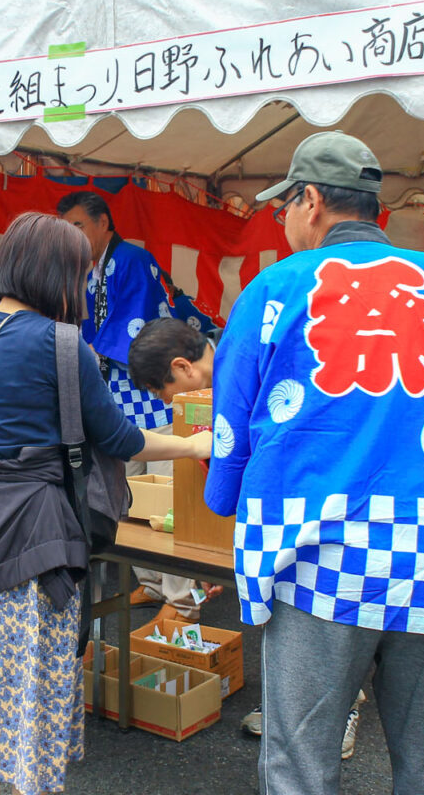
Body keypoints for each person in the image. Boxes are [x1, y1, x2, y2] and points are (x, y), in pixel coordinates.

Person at [205, 132, 424, 795]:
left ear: (309, 201)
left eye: (285, 208)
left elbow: (230, 425)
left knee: (300, 767)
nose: (286, 221)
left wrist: (225, 493)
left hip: (315, 561)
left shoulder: (275, 289)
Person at [0, 212, 212, 795]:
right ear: (59, 274)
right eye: (78, 270)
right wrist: (192, 443)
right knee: (30, 698)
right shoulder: (61, 342)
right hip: (30, 542)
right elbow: (120, 439)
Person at [128, 316, 367, 757]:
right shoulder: (223, 371)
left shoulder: (254, 366)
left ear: (182, 368)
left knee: (321, 605)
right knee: (284, 612)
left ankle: (342, 708)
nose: (167, 401)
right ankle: (288, 702)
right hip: (264, 501)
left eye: (164, 391)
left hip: (311, 497)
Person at [56, 191, 198, 624]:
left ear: (104, 223)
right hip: (116, 400)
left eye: (78, 226)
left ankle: (182, 600)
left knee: (167, 497)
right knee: (129, 496)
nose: (72, 235)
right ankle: (152, 583)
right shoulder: (87, 269)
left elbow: (134, 330)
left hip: (149, 397)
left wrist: (84, 353)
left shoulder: (131, 260)